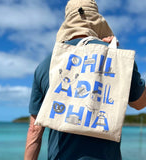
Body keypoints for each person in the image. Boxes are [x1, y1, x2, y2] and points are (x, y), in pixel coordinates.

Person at [24, 0, 146, 160]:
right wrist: (120, 63)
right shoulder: (116, 56)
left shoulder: (46, 65)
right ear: (96, 21)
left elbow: (35, 130)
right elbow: (139, 103)